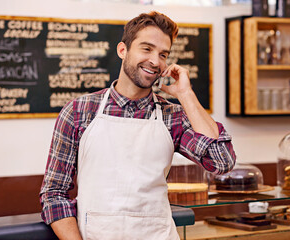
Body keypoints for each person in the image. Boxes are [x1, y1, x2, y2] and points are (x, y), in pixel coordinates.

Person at [40, 11, 236, 240]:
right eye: (147, 49)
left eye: (163, 54)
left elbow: (222, 161)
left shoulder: (172, 116)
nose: (155, 61)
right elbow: (54, 194)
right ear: (123, 50)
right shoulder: (78, 111)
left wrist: (185, 94)